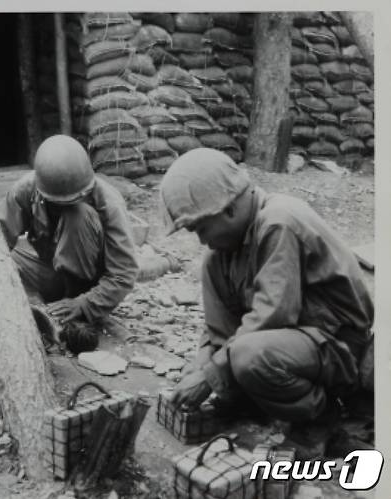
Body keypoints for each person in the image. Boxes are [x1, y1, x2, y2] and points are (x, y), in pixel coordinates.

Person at [160, 148, 373, 458]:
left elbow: (273, 315)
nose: (201, 241)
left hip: (338, 346)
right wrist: (200, 365)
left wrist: (210, 377)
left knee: (248, 358)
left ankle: (321, 418)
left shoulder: (278, 221)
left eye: (201, 229)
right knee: (233, 359)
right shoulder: (219, 256)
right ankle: (251, 401)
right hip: (294, 343)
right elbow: (219, 333)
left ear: (230, 210)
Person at [0, 134, 138, 350]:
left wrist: (85, 303)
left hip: (88, 283)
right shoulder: (26, 190)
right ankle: (40, 308)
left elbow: (123, 273)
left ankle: (75, 314)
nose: (62, 207)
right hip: (52, 270)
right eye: (55, 204)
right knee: (7, 259)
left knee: (77, 216)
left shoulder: (109, 203)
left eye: (74, 199)